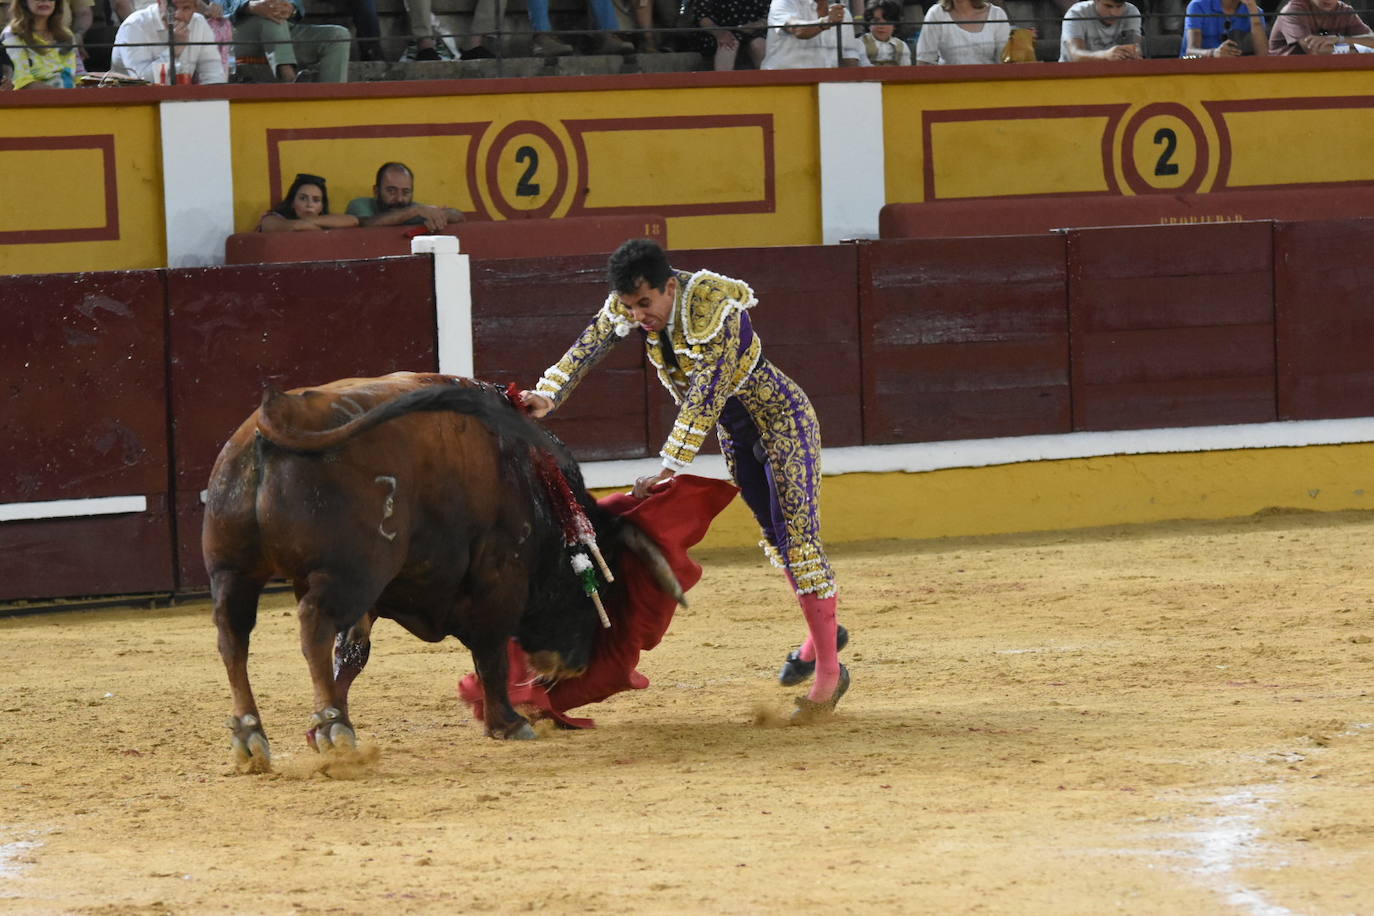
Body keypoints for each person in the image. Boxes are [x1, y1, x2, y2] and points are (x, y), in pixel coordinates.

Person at [519, 239, 851, 722]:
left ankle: (828, 673)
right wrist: (548, 395)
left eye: (645, 305)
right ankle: (822, 637)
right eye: (631, 307)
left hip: (784, 422)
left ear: (670, 287)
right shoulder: (634, 302)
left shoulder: (717, 310)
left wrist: (669, 468)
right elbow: (589, 344)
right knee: (779, 541)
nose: (638, 317)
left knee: (798, 541)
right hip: (738, 433)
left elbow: (706, 396)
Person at [223, 0, 349, 82]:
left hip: (284, 30)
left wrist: (291, 8)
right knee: (272, 17)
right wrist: (249, 6)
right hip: (241, 33)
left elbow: (296, 4)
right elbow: (219, 6)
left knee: (338, 35)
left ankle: (331, 97)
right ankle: (290, 79)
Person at [111, 0, 227, 82]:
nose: (178, 15)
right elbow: (142, 81)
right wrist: (173, 51)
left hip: (181, 102)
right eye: (172, 8)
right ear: (159, 2)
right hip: (131, 104)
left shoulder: (199, 23)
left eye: (186, 8)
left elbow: (213, 73)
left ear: (195, 8)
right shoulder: (135, 25)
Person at [345, 162, 466, 231]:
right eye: (391, 191)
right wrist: (415, 211)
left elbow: (458, 215)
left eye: (406, 192)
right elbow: (367, 225)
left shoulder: (417, 209)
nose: (399, 199)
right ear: (376, 191)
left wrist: (440, 215)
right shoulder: (360, 204)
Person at [761, 0, 865, 68]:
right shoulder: (784, 2)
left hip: (827, 87)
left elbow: (849, 59)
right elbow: (798, 30)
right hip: (782, 83)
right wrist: (827, 21)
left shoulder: (842, 13)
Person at [2, 0, 77, 88]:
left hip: (72, 97)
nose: (44, 0)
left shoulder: (66, 34)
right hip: (34, 99)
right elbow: (22, 82)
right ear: (24, 2)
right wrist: (64, 97)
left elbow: (79, 74)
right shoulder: (12, 34)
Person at [259, 173, 360, 232]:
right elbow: (298, 226)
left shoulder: (325, 220)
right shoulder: (272, 218)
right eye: (303, 198)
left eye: (316, 200)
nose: (309, 205)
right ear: (292, 202)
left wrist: (313, 221)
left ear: (322, 207)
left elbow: (353, 220)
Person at [915, 0, 1008, 64]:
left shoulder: (997, 14)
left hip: (992, 86)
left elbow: (1005, 61)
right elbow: (924, 61)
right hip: (948, 86)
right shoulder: (936, 14)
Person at [684, 0, 769, 69]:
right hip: (718, 31)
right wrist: (719, 33)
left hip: (753, 31)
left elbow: (771, 15)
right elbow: (702, 17)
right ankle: (722, 86)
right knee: (727, 45)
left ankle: (771, 84)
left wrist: (758, 24)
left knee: (759, 45)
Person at [1269, 0, 1373, 53]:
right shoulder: (1293, 10)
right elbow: (1315, 52)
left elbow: (1371, 41)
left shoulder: (1345, 10)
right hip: (1284, 74)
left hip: (1329, 72)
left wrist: (1339, 39)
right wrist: (1359, 50)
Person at [1059, 0, 1143, 60]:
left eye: (1119, 6)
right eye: (1108, 6)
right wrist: (1105, 55)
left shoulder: (1131, 11)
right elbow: (1076, 55)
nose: (1114, 13)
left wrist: (1134, 53)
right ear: (1096, 1)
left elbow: (1134, 49)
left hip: (1114, 74)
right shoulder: (1076, 13)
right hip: (1072, 74)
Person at [1180, 0, 1267, 55]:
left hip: (1232, 71)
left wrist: (1251, 6)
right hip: (1193, 70)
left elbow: (1263, 55)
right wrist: (1214, 53)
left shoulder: (1255, 11)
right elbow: (1190, 52)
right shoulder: (1197, 6)